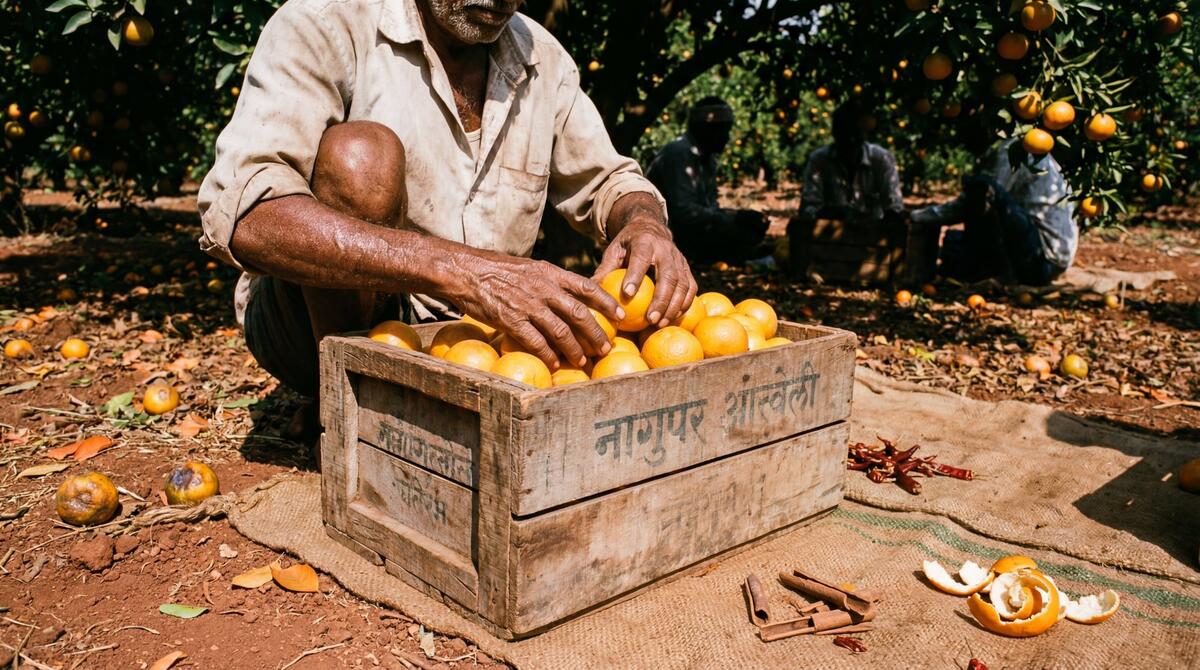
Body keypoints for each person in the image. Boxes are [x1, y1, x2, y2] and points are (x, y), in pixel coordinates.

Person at [198, 0, 695, 433]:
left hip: (475, 338)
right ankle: (345, 408)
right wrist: (464, 272)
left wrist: (643, 220)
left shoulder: (543, 58)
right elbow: (248, 214)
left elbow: (609, 179)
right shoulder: (327, 21)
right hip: (309, 324)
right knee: (360, 156)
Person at [909, 114, 1076, 285]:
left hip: (1040, 260)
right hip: (1051, 260)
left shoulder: (1011, 150)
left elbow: (976, 201)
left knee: (982, 187)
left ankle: (984, 272)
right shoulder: (1028, 146)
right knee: (954, 240)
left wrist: (918, 216)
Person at [645, 96, 771, 265]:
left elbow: (708, 206)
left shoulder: (707, 159)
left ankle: (739, 255)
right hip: (670, 230)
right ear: (704, 130)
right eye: (722, 131)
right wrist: (735, 217)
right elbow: (685, 212)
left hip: (691, 228)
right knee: (736, 232)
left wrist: (735, 216)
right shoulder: (679, 154)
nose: (727, 138)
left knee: (748, 229)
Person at [788, 102, 906, 277]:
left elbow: (894, 207)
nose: (850, 141)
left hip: (872, 245)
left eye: (855, 135)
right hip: (829, 244)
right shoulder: (820, 160)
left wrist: (883, 219)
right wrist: (834, 213)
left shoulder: (881, 160)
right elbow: (808, 208)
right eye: (845, 135)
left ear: (864, 134)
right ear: (835, 134)